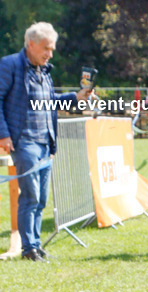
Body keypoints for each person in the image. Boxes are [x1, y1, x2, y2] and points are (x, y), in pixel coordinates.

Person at [0, 22, 92, 261]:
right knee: (30, 196)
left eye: (52, 49)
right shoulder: (9, 65)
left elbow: (50, 102)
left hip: (46, 141)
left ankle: (36, 245)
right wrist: (3, 134)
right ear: (31, 44)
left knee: (41, 199)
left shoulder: (44, 70)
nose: (50, 54)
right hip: (24, 142)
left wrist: (75, 97)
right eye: (46, 49)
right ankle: (28, 249)